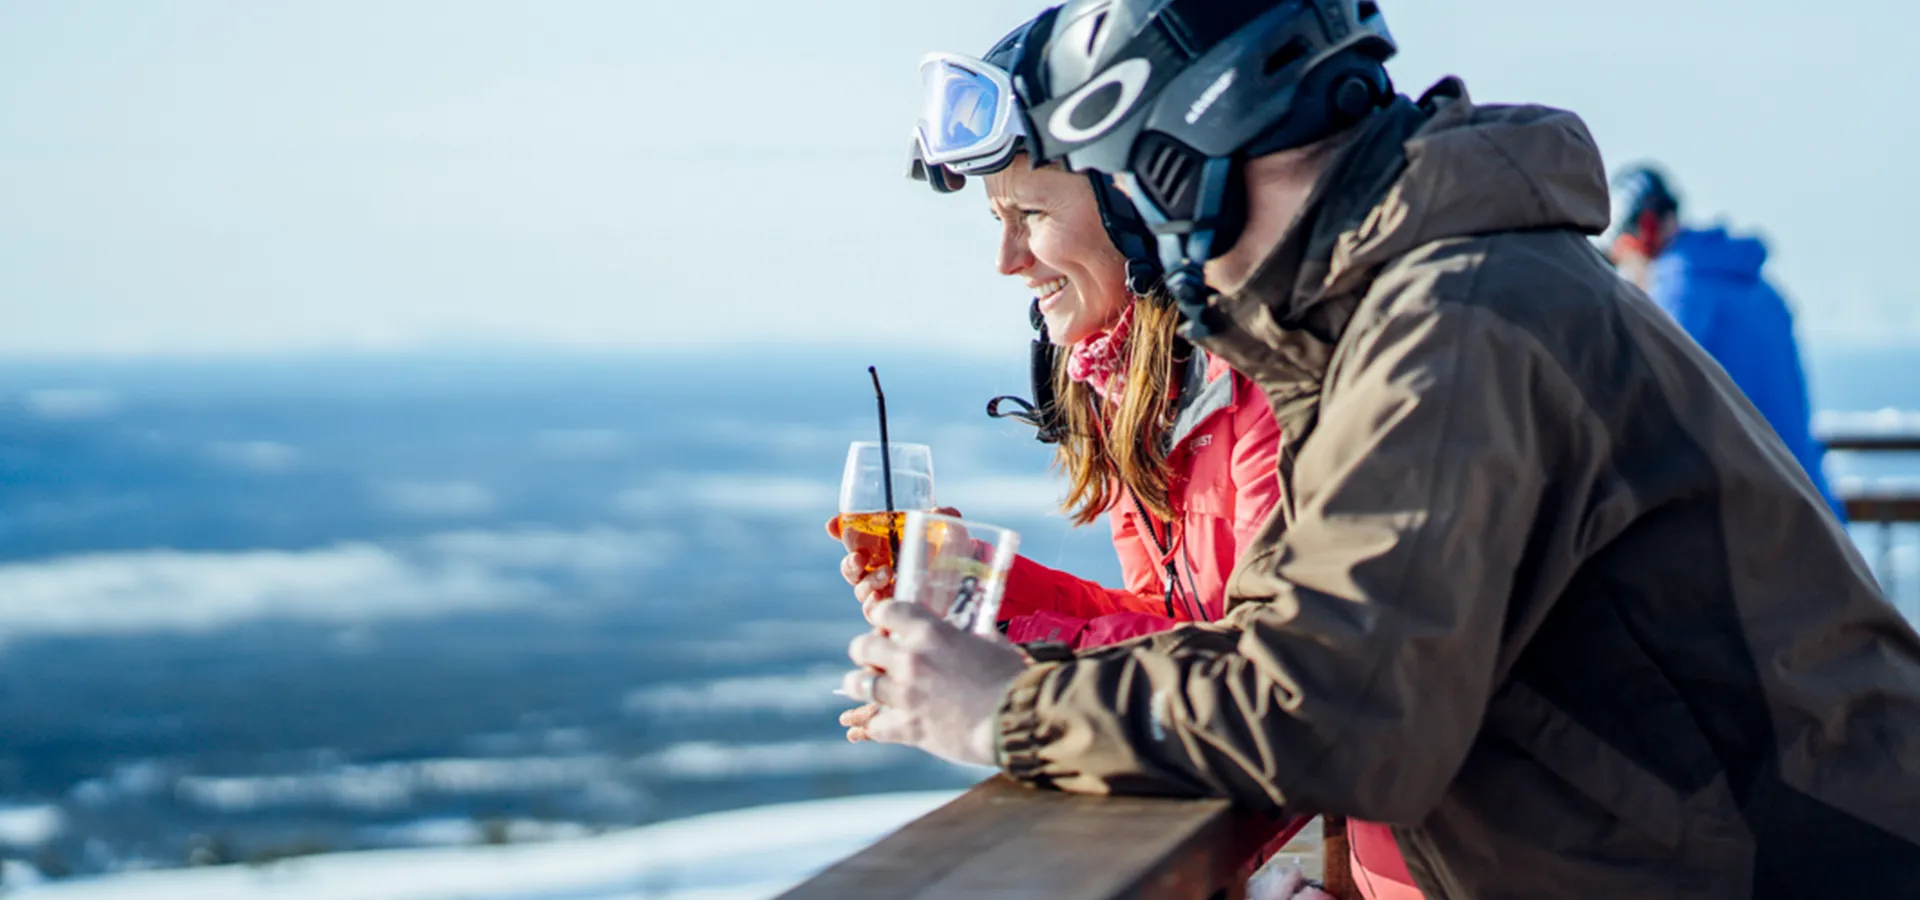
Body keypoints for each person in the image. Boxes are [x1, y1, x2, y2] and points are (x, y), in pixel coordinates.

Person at [841, 2, 1920, 897]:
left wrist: (1002, 711)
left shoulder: (1457, 317)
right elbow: (1279, 639)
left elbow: (1334, 710)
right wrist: (1016, 638)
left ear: (1172, 169)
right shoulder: (1399, 314)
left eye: (1108, 180)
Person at [1608, 164, 1845, 519]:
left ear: (1643, 233)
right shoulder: (1757, 286)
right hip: (1809, 509)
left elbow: (1647, 406)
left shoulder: (1681, 289)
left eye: (1621, 259)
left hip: (1753, 521)